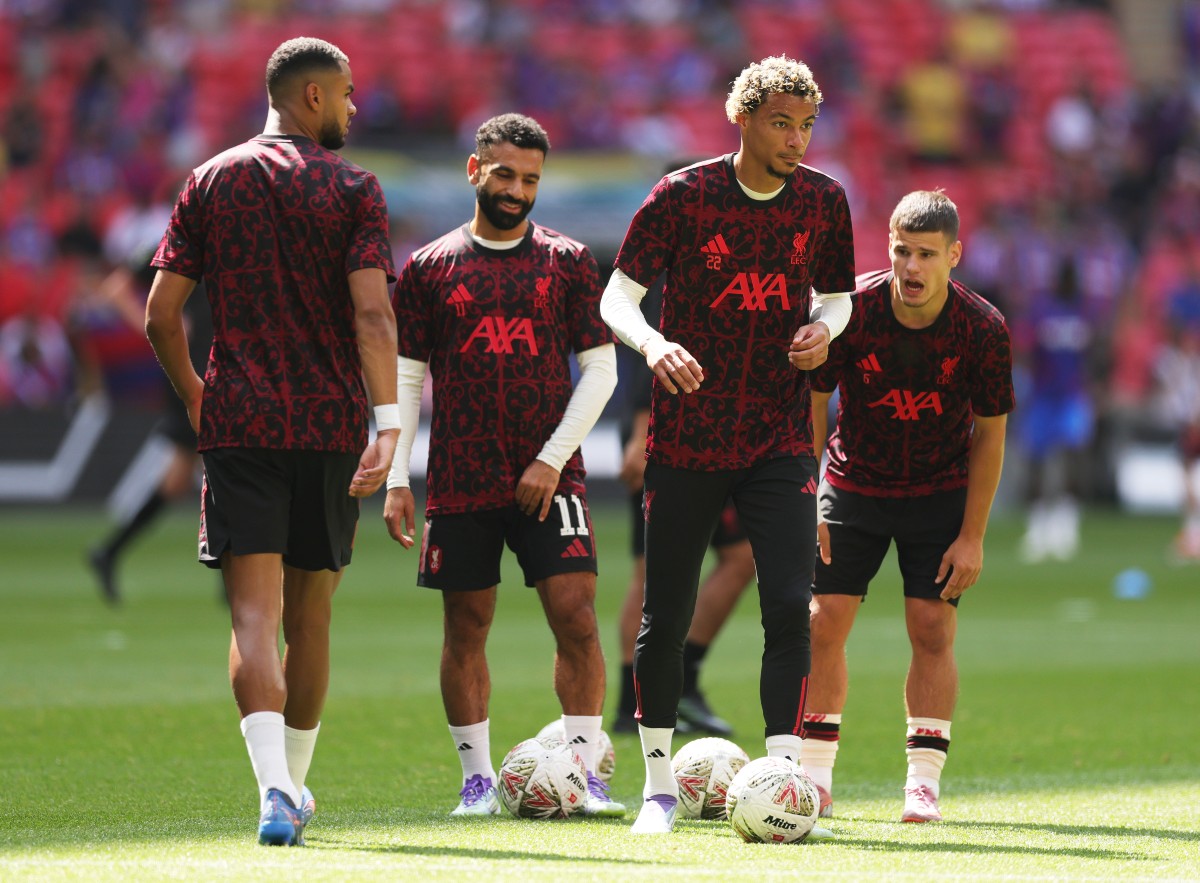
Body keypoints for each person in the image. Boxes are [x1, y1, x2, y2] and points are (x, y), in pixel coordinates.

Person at [145, 37, 399, 846]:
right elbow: (372, 315)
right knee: (311, 618)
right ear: (313, 98)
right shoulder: (356, 188)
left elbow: (160, 315)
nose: (356, 108)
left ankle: (275, 791)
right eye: (350, 94)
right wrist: (390, 424)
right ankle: (295, 779)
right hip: (329, 422)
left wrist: (196, 395)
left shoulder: (210, 180)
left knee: (252, 616)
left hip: (242, 421)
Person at [600, 55, 856, 835]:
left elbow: (840, 298)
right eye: (782, 122)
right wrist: (651, 345)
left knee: (788, 604)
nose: (796, 139)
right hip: (689, 436)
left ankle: (783, 776)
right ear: (741, 117)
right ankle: (656, 787)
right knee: (665, 614)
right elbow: (618, 297)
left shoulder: (823, 202)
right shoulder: (682, 196)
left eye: (807, 125)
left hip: (778, 437)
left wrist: (824, 329)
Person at [382, 113, 623, 819]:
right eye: (506, 175)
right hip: (461, 473)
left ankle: (586, 773)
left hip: (552, 477)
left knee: (576, 618)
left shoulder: (570, 261)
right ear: (474, 170)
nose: (518, 190)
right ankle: (477, 782)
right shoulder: (427, 268)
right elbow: (404, 378)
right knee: (466, 625)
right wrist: (398, 473)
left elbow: (601, 371)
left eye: (530, 178)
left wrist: (551, 459)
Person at [802, 190, 1014, 824]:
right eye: (902, 251)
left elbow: (991, 434)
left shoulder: (983, 328)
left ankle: (923, 782)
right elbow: (813, 405)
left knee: (931, 628)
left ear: (954, 255)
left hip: (938, 491)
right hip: (853, 482)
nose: (912, 266)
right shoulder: (848, 312)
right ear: (887, 248)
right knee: (822, 620)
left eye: (926, 254)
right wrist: (807, 496)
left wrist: (972, 536)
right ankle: (814, 779)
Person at [612, 277, 755, 738]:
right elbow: (647, 336)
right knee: (651, 570)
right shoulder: (683, 233)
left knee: (742, 557)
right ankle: (630, 701)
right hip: (664, 426)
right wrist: (639, 431)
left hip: (726, 428)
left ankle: (684, 682)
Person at [88, 256, 212, 605]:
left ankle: (110, 551)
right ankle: (233, 578)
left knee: (179, 479)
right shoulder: (178, 241)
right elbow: (116, 290)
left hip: (212, 373)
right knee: (226, 468)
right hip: (193, 378)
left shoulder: (230, 234)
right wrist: (162, 327)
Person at [1016, 257, 1095, 563]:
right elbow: (1024, 348)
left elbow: (1094, 350)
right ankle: (1037, 527)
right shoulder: (1041, 310)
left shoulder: (1085, 311)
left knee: (1074, 456)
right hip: (1042, 396)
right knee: (1035, 460)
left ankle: (1066, 524)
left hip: (1073, 395)